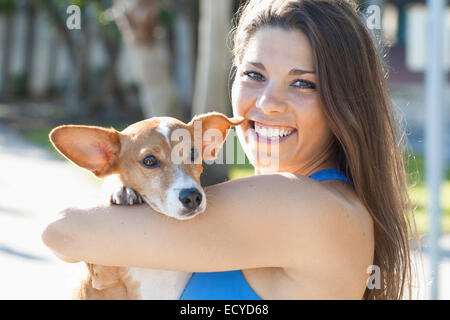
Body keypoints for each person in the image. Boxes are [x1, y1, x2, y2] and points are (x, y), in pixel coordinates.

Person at [42, 0, 418, 300]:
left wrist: (119, 187)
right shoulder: (335, 200)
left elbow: (63, 232)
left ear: (346, 100)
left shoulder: (300, 204)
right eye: (254, 75)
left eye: (303, 83)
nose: (269, 103)